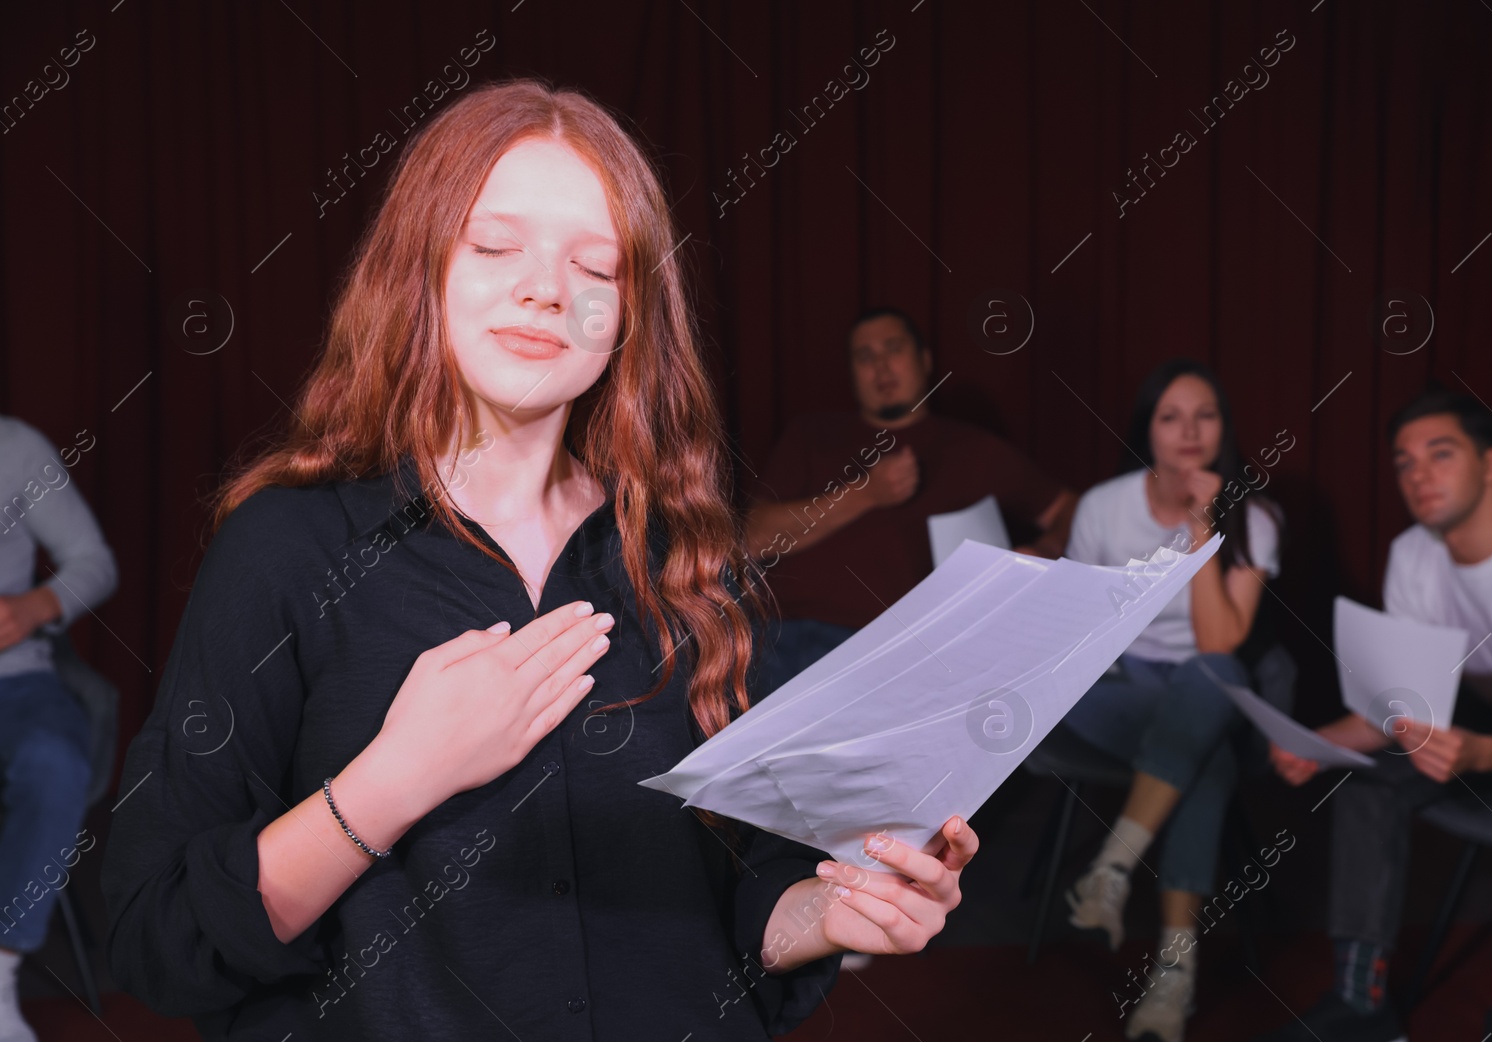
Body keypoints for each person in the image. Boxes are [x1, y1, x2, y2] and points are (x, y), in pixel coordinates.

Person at [99, 79, 977, 1041]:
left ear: (630, 314)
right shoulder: (286, 547)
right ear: (420, 269)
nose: (548, 288)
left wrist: (832, 913)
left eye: (595, 266)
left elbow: (736, 903)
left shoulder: (685, 560)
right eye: (495, 246)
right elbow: (156, 932)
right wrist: (396, 778)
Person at [1257, 389, 1492, 1042]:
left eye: (1439, 455)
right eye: (1405, 463)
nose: (1419, 475)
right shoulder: (1412, 553)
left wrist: (1478, 755)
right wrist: (1318, 741)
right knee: (1366, 779)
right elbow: (1405, 704)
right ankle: (1362, 1004)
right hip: (1487, 722)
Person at [1050, 359, 1283, 1042]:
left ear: (1224, 430)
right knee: (1199, 751)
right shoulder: (1103, 506)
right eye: (1170, 416)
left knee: (1209, 683)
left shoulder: (1258, 517)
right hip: (1117, 688)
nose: (1188, 432)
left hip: (1208, 687)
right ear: (1146, 430)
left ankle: (1113, 870)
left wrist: (1204, 527)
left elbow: (1218, 643)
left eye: (1204, 415)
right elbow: (1079, 632)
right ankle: (1174, 974)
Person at [745, 306, 1078, 691]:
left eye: (893, 349)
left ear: (924, 360)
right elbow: (753, 540)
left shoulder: (974, 449)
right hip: (775, 636)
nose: (881, 367)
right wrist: (865, 493)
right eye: (865, 357)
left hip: (891, 652)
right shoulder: (812, 435)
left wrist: (1043, 550)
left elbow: (1069, 508)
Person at [0, 416, 118, 1042]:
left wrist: (36, 605)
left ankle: (0, 976)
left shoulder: (15, 448)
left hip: (14, 679)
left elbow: (92, 562)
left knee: (55, 760)